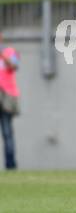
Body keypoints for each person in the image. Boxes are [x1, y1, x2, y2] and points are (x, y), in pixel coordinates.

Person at [0, 32, 20, 170]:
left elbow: (14, 66)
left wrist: (1, 53)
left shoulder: (10, 51)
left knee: (7, 132)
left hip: (6, 95)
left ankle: (10, 165)